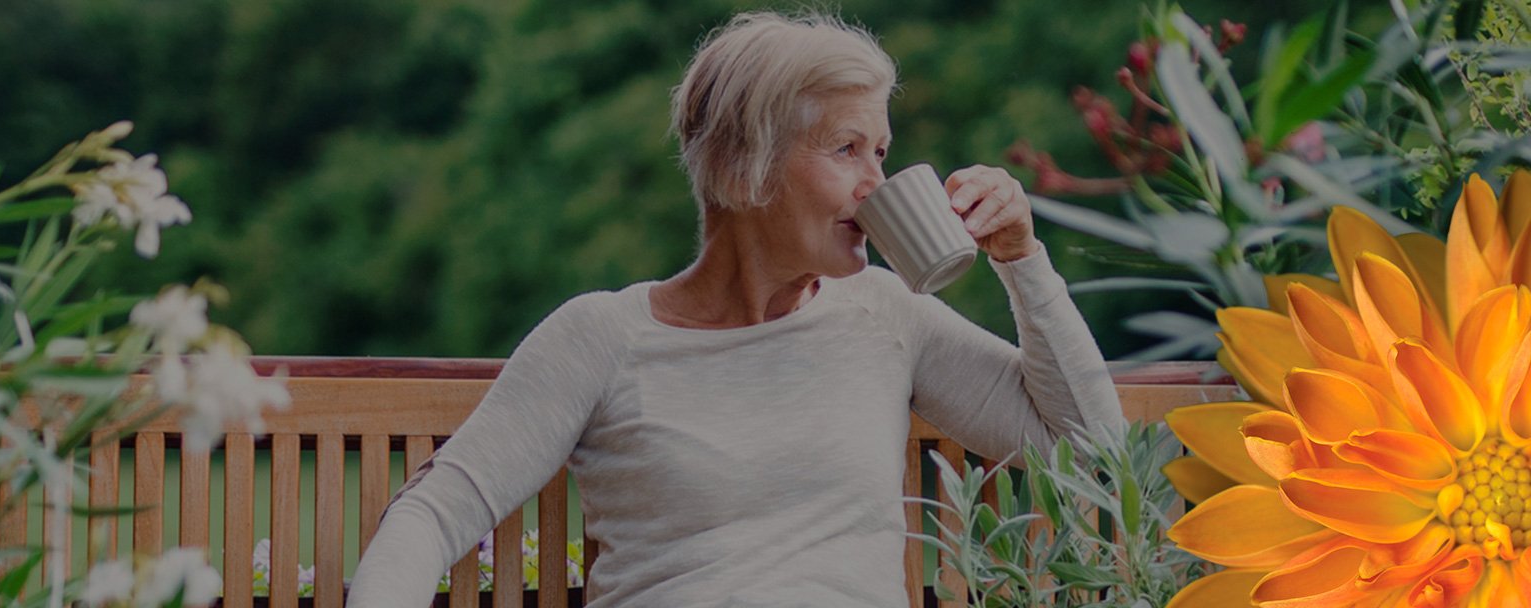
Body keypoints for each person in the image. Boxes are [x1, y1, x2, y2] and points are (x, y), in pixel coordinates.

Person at [348, 10, 1125, 607]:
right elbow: (435, 514)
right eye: (847, 149)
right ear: (744, 166)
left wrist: (1021, 258)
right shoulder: (603, 338)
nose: (875, 186)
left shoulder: (887, 316)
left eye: (881, 153)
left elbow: (1093, 454)